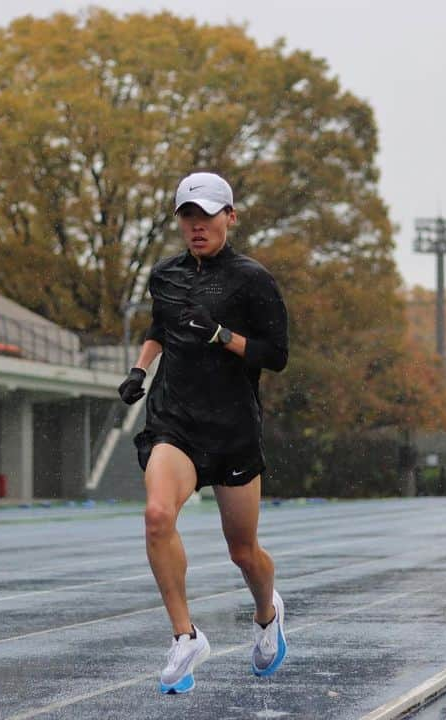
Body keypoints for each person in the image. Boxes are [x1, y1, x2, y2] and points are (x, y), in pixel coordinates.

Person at [118, 171, 290, 694]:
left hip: (233, 428)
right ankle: (185, 636)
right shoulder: (165, 275)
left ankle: (267, 614)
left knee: (242, 549)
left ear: (230, 217)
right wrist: (140, 372)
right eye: (188, 216)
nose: (197, 226)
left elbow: (276, 356)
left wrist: (222, 335)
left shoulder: (253, 280)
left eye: (208, 215)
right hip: (176, 421)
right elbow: (159, 327)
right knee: (156, 515)